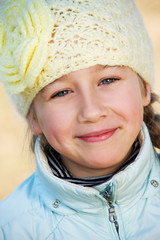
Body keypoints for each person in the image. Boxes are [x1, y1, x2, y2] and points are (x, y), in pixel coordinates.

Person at [0, 0, 160, 239]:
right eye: (61, 92)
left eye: (108, 80)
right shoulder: (12, 228)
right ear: (33, 118)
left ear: (144, 89)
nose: (91, 112)